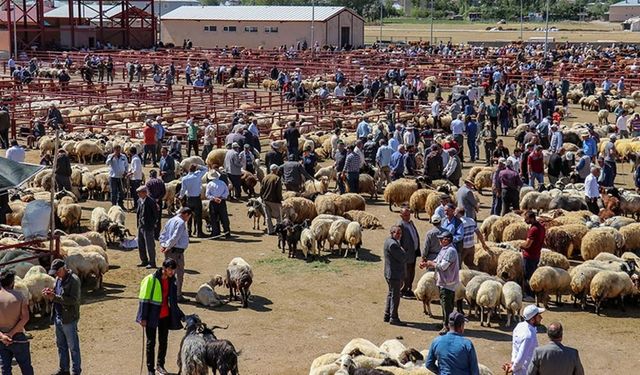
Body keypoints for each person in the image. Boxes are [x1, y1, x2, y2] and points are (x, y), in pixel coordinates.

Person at [136, 258, 185, 375]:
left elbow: (173, 301)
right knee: (150, 343)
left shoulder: (172, 280)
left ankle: (160, 365)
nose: (172, 273)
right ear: (164, 268)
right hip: (152, 316)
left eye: (173, 270)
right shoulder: (150, 280)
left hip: (165, 315)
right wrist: (142, 317)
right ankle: (150, 369)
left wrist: (180, 315)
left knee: (163, 342)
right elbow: (143, 299)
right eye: (170, 270)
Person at [43, 259, 82, 375]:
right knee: (61, 345)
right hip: (58, 316)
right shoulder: (58, 279)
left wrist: (54, 297)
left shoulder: (74, 281)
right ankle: (64, 369)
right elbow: (58, 294)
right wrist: (51, 293)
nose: (55, 274)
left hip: (69, 318)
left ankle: (76, 371)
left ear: (63, 268)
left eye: (57, 271)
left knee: (73, 347)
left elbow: (73, 300)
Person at [421, 231, 459, 335]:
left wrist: (431, 264)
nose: (439, 241)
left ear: (447, 240)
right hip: (443, 281)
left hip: (448, 283)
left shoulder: (450, 251)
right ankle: (445, 323)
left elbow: (443, 266)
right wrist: (427, 264)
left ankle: (447, 326)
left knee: (447, 305)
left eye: (441, 239)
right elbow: (437, 260)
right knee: (444, 304)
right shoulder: (444, 249)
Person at [0, 269, 33, 375]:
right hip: (18, 336)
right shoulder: (20, 296)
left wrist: (3, 336)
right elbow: (25, 318)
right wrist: (11, 333)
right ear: (12, 282)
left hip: (2, 339)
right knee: (25, 366)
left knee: (5, 369)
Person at [159, 207, 192, 302]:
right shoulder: (181, 223)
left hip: (169, 250)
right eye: (188, 216)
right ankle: (177, 295)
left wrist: (164, 245)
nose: (188, 219)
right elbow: (175, 237)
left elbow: (163, 234)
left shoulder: (171, 220)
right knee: (178, 273)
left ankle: (167, 292)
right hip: (176, 251)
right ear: (186, 214)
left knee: (167, 272)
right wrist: (168, 247)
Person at [505, 305, 545, 375]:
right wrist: (513, 368)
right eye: (539, 316)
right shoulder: (528, 336)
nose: (541, 318)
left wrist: (513, 362)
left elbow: (515, 347)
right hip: (525, 371)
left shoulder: (519, 326)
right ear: (532, 320)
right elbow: (521, 356)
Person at [383, 225, 407, 326]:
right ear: (392, 233)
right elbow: (402, 257)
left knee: (391, 293)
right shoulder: (393, 244)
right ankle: (394, 317)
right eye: (397, 233)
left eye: (400, 233)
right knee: (395, 296)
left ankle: (387, 314)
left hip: (390, 272)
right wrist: (403, 251)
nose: (399, 235)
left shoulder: (389, 241)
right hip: (394, 274)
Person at [520, 211, 545, 301]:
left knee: (528, 276)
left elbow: (527, 245)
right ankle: (534, 294)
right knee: (533, 275)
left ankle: (529, 295)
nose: (525, 220)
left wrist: (520, 245)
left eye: (526, 219)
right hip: (536, 254)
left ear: (531, 218)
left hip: (529, 256)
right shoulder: (541, 227)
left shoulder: (534, 229)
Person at [178, 165, 208, 238]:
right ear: (195, 170)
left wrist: (180, 196)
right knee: (198, 216)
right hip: (197, 199)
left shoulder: (184, 178)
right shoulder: (198, 175)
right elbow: (206, 169)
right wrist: (199, 166)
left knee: (188, 216)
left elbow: (183, 190)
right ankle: (199, 232)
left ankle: (189, 232)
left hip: (189, 199)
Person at [397, 208, 420, 298]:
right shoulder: (400, 225)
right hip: (406, 254)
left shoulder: (411, 223)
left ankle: (408, 288)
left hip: (413, 252)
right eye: (405, 215)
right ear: (401, 215)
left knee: (411, 271)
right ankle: (402, 290)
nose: (407, 217)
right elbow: (398, 241)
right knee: (405, 273)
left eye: (408, 214)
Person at [137, 186, 159, 269]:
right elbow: (139, 213)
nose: (138, 194)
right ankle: (144, 260)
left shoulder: (150, 201)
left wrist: (153, 224)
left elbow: (155, 214)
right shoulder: (139, 201)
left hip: (148, 226)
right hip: (141, 225)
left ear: (145, 193)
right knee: (141, 244)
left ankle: (152, 262)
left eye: (140, 192)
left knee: (150, 245)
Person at [205, 170, 231, 238]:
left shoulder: (210, 184)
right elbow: (227, 192)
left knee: (214, 218)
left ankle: (216, 232)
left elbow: (207, 195)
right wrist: (221, 198)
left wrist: (214, 198)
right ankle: (227, 232)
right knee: (224, 217)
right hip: (222, 202)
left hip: (213, 202)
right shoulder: (222, 183)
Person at [261, 164, 283, 235]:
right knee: (279, 216)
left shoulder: (265, 178)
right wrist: (280, 199)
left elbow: (262, 189)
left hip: (265, 199)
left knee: (268, 216)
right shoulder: (277, 178)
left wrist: (262, 197)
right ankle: (279, 230)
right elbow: (278, 191)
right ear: (276, 170)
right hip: (275, 200)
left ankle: (270, 231)